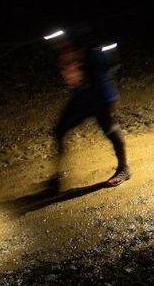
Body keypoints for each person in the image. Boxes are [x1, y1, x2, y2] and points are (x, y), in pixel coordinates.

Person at [45, 27, 129, 192]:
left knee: (110, 130)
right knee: (60, 129)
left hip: (101, 97)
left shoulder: (92, 51)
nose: (58, 44)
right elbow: (75, 80)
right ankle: (56, 178)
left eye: (61, 40)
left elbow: (102, 73)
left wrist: (80, 69)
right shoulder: (69, 52)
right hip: (83, 97)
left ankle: (124, 169)